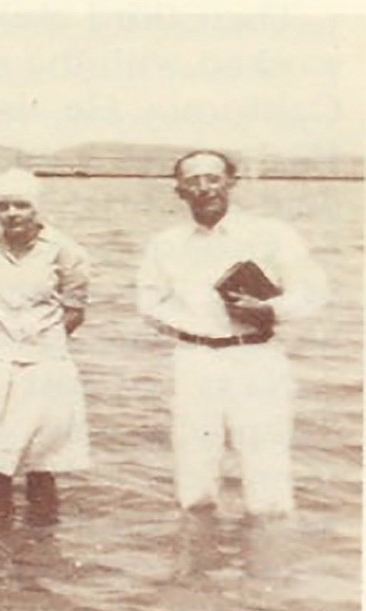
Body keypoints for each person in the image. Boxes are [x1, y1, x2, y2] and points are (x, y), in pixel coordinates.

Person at [136, 149, 326, 518]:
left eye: (212, 178)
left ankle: (265, 568)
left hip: (255, 357)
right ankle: (197, 570)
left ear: (231, 182)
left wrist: (269, 309)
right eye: (193, 181)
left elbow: (312, 292)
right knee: (194, 479)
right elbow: (148, 304)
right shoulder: (166, 244)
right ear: (179, 190)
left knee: (266, 473)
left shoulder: (271, 234)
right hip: (194, 361)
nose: (204, 188)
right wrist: (194, 329)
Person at [0, 169, 92, 531]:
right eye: (3, 206)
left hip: (44, 365)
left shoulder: (65, 251)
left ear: (36, 209)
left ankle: (39, 550)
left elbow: (75, 311)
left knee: (41, 463)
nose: (12, 213)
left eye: (21, 205)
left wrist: (38, 341)